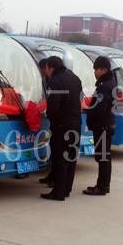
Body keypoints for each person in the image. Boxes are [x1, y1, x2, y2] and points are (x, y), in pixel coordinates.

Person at [42, 56, 82, 201]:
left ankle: (58, 192)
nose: (46, 72)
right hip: (76, 123)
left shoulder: (55, 81)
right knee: (71, 157)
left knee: (60, 158)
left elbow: (53, 106)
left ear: (51, 67)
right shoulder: (75, 78)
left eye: (46, 69)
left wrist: (50, 117)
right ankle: (66, 189)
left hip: (62, 125)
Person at [83, 56, 116, 196]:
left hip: (102, 126)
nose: (94, 72)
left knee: (103, 157)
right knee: (104, 156)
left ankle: (102, 187)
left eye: (96, 69)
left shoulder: (104, 86)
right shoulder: (110, 83)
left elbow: (100, 108)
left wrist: (89, 111)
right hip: (107, 124)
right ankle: (103, 185)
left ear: (104, 70)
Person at [37, 58, 54, 187]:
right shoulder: (44, 79)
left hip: (54, 119)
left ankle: (54, 178)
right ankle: (51, 175)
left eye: (43, 69)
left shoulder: (54, 81)